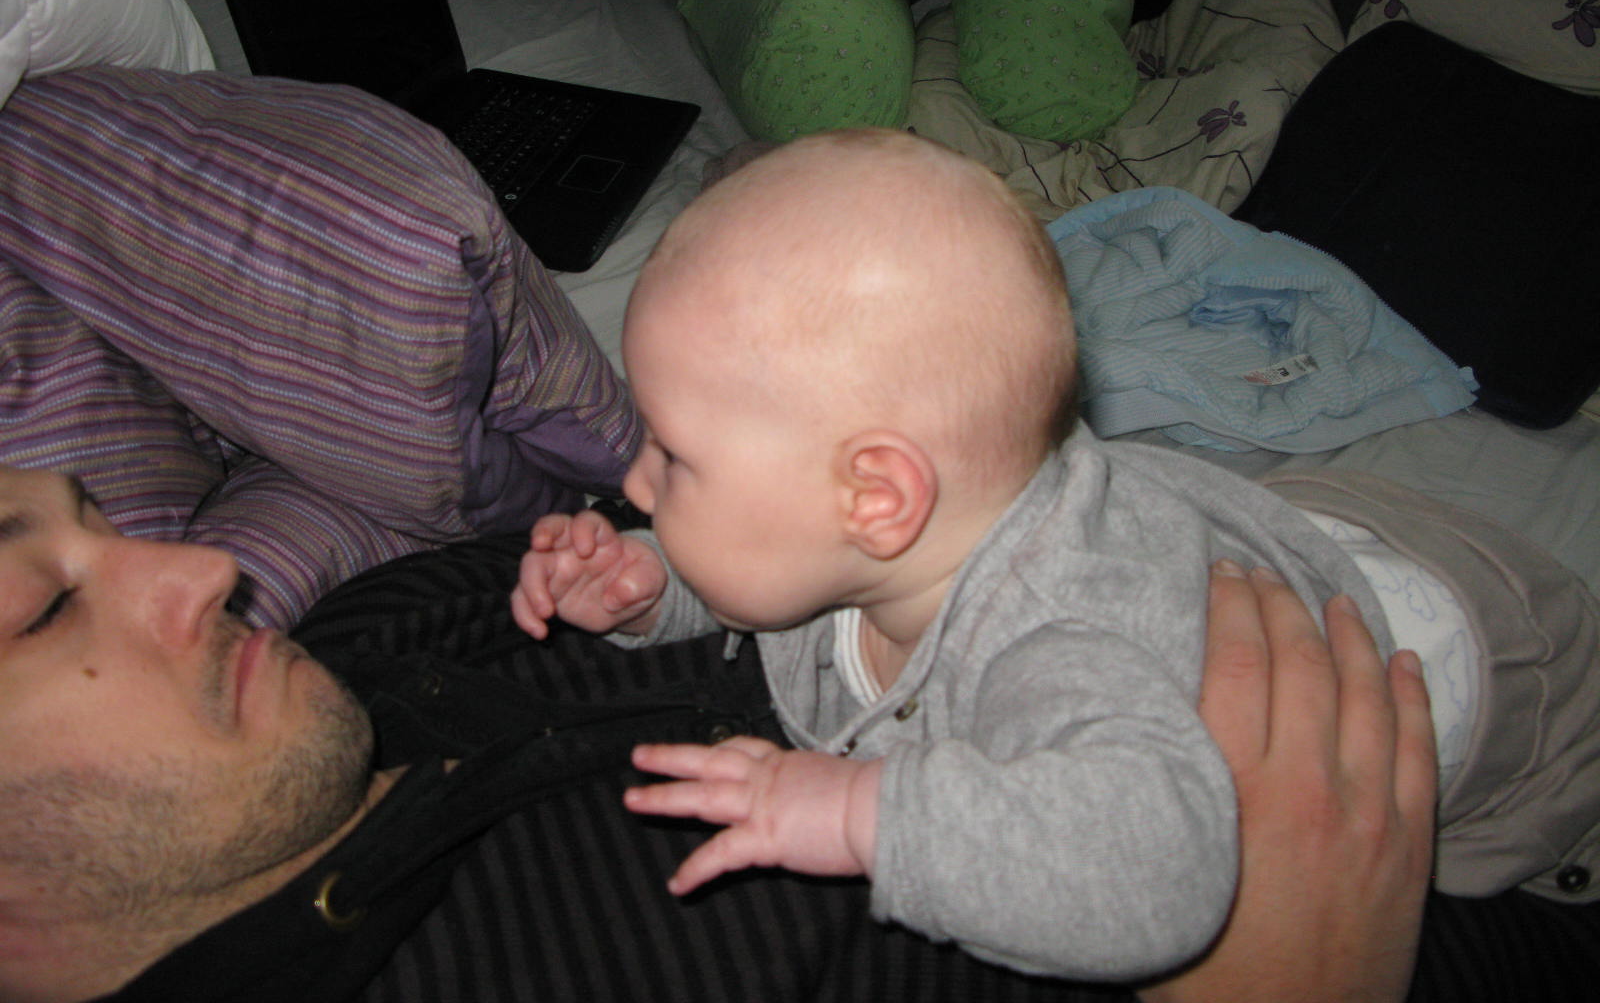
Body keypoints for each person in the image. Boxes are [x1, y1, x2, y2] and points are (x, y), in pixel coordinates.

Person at [513, 128, 1600, 982]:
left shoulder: (1060, 644)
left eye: (675, 458)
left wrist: (857, 815)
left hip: (1488, 670)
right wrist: (653, 585)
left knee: (1492, 845)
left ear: (877, 496)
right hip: (1242, 537)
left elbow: (1158, 883)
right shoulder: (878, 530)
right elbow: (781, 570)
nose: (635, 484)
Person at [0, 457, 1446, 1002]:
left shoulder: (358, 639)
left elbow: (703, 545)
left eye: (101, 522)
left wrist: (638, 577)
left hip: (1189, 561)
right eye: (44, 610)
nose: (202, 568)